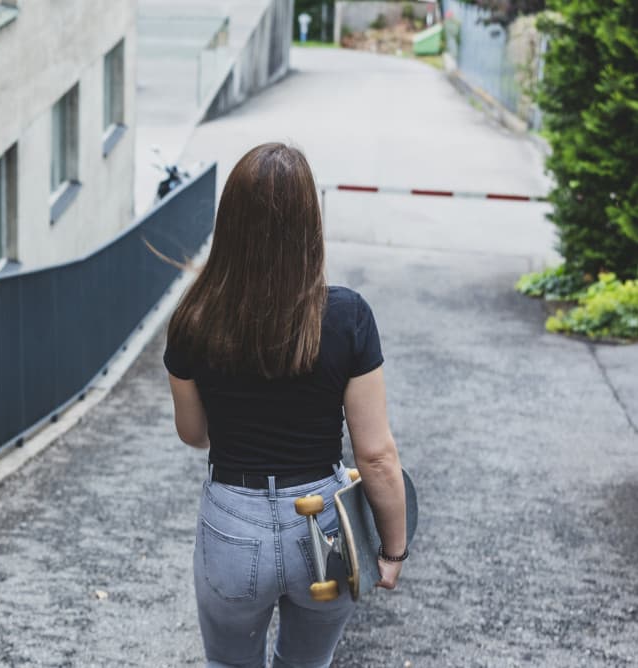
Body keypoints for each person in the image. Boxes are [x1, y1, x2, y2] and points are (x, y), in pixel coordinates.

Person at [163, 143, 408, 667]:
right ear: (309, 224)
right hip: (323, 523)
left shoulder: (193, 319)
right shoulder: (347, 317)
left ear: (229, 223)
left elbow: (194, 433)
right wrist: (392, 549)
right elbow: (377, 456)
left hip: (232, 522)